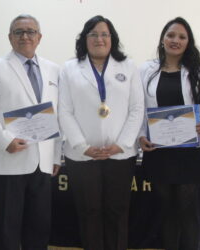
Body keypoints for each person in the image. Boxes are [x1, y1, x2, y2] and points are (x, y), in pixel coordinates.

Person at [0, 14, 61, 250]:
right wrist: (6, 140)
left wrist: (55, 157)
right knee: (6, 230)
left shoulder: (53, 69)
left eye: (30, 31)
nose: (25, 36)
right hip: (8, 160)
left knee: (39, 228)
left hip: (42, 163)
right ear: (10, 37)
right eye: (19, 32)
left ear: (39, 37)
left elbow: (57, 115)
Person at [57, 15, 144, 250]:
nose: (99, 39)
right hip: (82, 156)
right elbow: (64, 112)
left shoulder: (128, 67)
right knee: (89, 212)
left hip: (120, 155)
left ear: (112, 39)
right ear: (85, 39)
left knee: (117, 211)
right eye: (93, 34)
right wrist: (83, 146)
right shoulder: (69, 69)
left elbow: (137, 109)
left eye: (105, 34)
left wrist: (123, 143)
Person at [138, 17, 200, 249]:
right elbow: (139, 108)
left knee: (186, 209)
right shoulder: (146, 70)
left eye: (181, 37)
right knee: (166, 209)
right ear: (162, 39)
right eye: (170, 35)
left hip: (190, 151)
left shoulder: (198, 71)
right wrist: (141, 135)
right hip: (160, 151)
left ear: (188, 42)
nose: (175, 40)